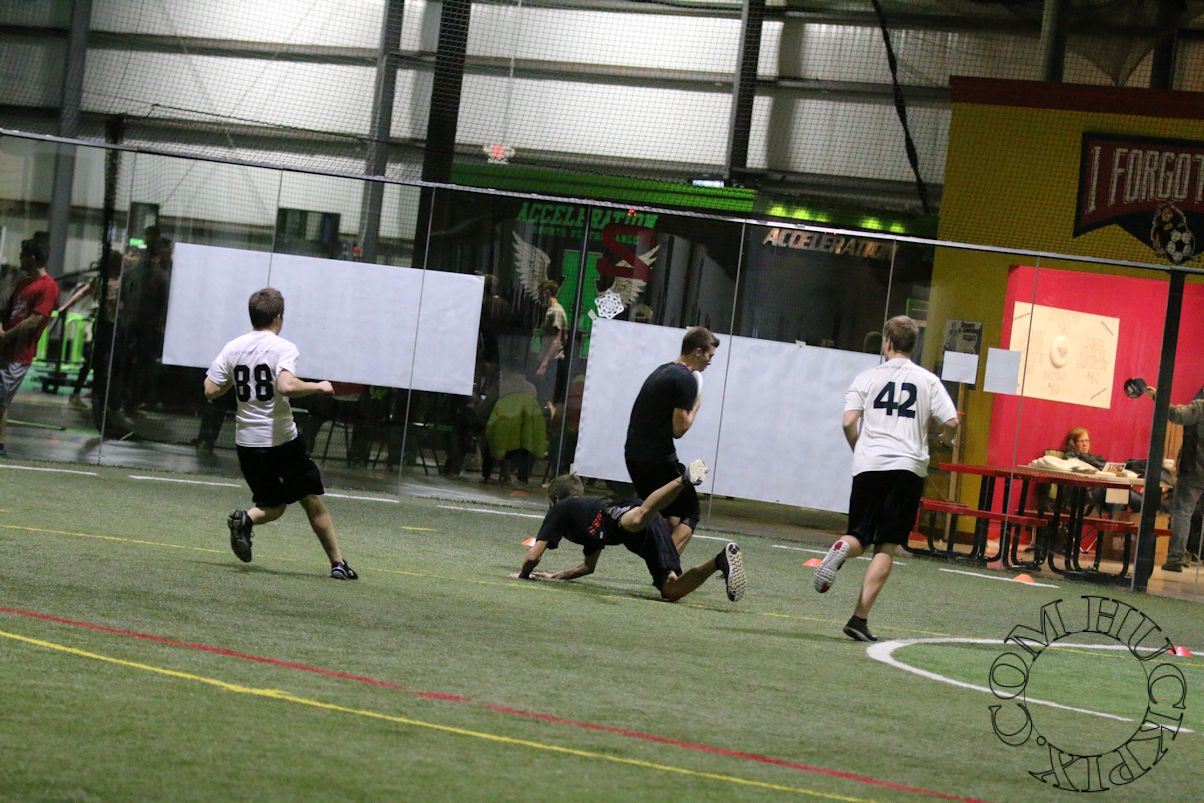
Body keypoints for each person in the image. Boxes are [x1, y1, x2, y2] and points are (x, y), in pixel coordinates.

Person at [814, 315, 957, 642]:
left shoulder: (867, 377)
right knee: (886, 545)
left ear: (888, 343)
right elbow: (951, 422)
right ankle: (859, 618)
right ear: (913, 345)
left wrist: (859, 448)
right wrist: (942, 438)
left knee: (859, 535)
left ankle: (842, 548)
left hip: (869, 464)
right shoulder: (928, 381)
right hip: (907, 468)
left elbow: (848, 421)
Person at [203, 287, 357, 580]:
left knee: (273, 505)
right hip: (282, 441)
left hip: (247, 444)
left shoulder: (233, 347)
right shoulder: (283, 347)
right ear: (278, 318)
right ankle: (338, 565)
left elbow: (210, 390)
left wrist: (234, 379)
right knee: (311, 500)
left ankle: (246, 519)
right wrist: (318, 386)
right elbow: (286, 386)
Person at [511, 459, 746, 603]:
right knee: (671, 590)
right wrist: (555, 575)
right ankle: (719, 560)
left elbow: (533, 556)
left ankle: (683, 480)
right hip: (637, 531)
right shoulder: (584, 519)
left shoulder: (560, 508)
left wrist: (523, 575)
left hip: (624, 516)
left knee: (637, 517)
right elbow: (588, 567)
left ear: (554, 499)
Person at [624, 325, 718, 555]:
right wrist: (695, 408)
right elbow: (679, 429)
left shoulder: (662, 370)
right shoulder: (686, 379)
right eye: (709, 355)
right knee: (690, 512)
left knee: (668, 514)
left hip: (634, 457)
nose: (710, 361)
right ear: (697, 351)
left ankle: (662, 560)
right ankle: (667, 567)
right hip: (658, 459)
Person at [0, 236, 60, 456]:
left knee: (1, 399)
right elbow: (6, 311)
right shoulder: (24, 283)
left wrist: (6, 337)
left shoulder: (49, 287)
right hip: (4, 347)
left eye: (23, 256)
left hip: (19, 354)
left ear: (33, 258)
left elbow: (35, 320)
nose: (20, 259)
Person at [1163, 390, 1204, 572]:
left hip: (1193, 471)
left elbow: (1176, 415)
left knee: (1182, 514)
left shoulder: (1200, 408)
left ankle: (1175, 558)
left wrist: (1157, 396)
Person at [533, 279, 567, 418]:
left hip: (552, 362)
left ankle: (551, 425)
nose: (539, 297)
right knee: (546, 398)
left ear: (546, 292)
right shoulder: (553, 310)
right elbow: (564, 337)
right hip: (551, 361)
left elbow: (557, 339)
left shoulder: (555, 311)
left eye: (541, 293)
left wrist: (544, 364)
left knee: (548, 399)